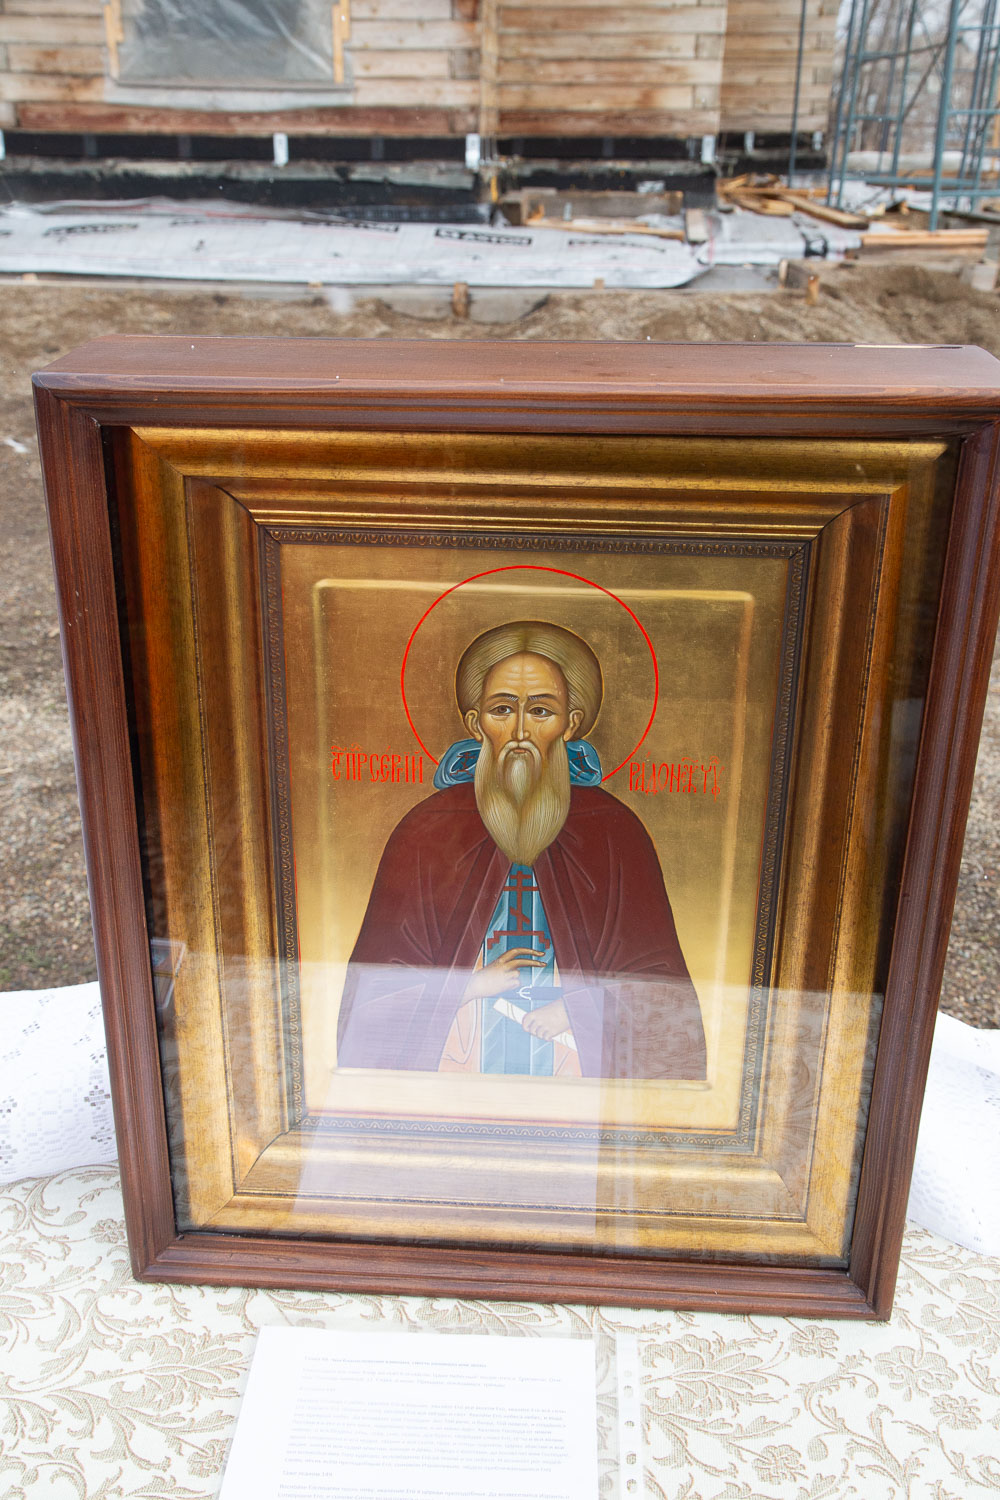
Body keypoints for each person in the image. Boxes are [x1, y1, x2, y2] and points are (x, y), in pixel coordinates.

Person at [336, 621, 706, 1081]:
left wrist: (578, 1008)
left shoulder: (614, 834)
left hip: (577, 1087)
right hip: (452, 1085)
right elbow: (371, 1002)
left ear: (571, 723)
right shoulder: (426, 832)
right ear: (476, 724)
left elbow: (663, 996)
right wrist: (467, 988)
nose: (519, 731)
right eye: (502, 709)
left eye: (541, 711)